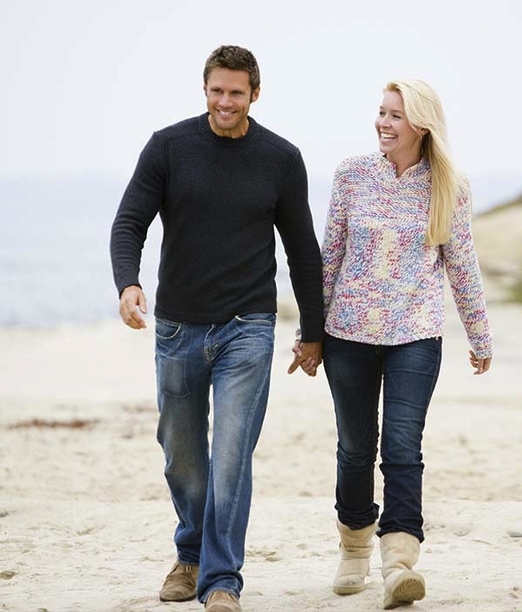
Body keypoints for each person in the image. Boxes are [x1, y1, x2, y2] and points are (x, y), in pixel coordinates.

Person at [110, 45, 324, 612]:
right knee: (181, 452)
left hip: (247, 328)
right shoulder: (169, 147)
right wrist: (127, 284)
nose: (225, 102)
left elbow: (302, 250)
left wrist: (313, 331)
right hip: (178, 327)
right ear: (204, 90)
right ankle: (190, 552)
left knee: (231, 453)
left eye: (236, 92)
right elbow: (130, 220)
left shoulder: (280, 158)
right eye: (216, 91)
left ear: (256, 93)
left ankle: (221, 580)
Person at [320, 79, 493, 609]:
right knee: (355, 448)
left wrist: (479, 334)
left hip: (415, 334)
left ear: (421, 125)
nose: (383, 123)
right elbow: (330, 257)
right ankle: (354, 547)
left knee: (401, 446)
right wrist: (309, 333)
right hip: (348, 333)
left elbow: (461, 264)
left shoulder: (449, 186)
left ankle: (398, 561)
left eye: (395, 116)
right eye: (380, 112)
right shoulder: (351, 175)